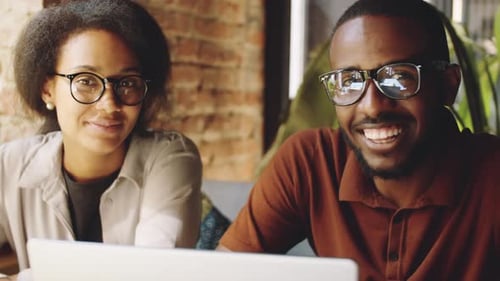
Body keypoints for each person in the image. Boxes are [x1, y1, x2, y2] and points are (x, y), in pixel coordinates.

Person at [217, 0, 500, 280]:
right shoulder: (311, 162)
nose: (372, 107)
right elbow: (220, 273)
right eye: (349, 81)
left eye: (398, 77)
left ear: (448, 85)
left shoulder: (491, 175)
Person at [0, 0, 202, 278]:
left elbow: (154, 273)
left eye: (127, 82)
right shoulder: (8, 165)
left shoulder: (170, 158)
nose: (109, 104)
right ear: (47, 89)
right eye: (85, 80)